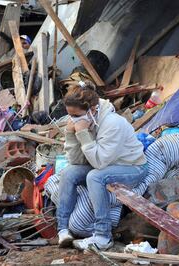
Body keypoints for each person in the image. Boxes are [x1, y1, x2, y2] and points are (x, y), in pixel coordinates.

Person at [57, 81, 147, 250]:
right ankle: (63, 230)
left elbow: (99, 163)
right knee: (68, 173)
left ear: (92, 110)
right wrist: (70, 134)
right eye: (70, 116)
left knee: (95, 177)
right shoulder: (88, 120)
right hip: (107, 164)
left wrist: (83, 133)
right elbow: (76, 161)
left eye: (76, 116)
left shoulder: (113, 123)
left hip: (133, 168)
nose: (73, 120)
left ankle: (103, 236)